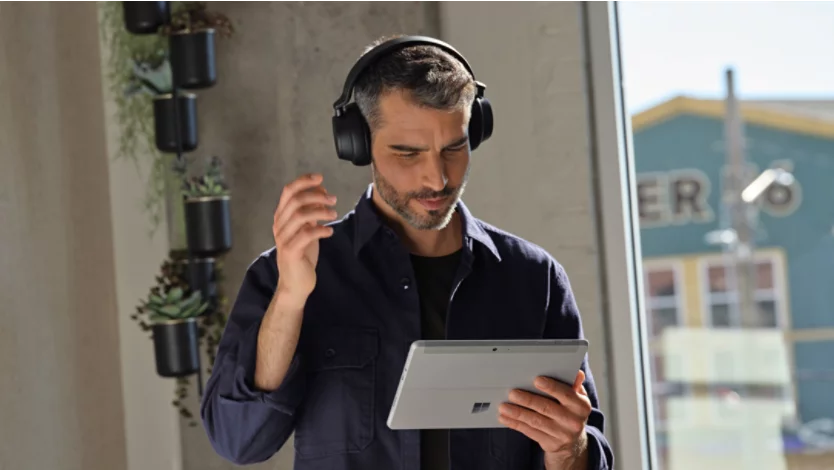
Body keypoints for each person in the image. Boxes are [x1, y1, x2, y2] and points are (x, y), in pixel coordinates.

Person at [200, 34, 614, 470]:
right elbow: (237, 440)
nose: (436, 179)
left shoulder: (535, 280)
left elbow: (585, 450)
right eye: (407, 153)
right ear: (358, 144)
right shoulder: (287, 274)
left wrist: (570, 449)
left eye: (454, 148)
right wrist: (290, 300)